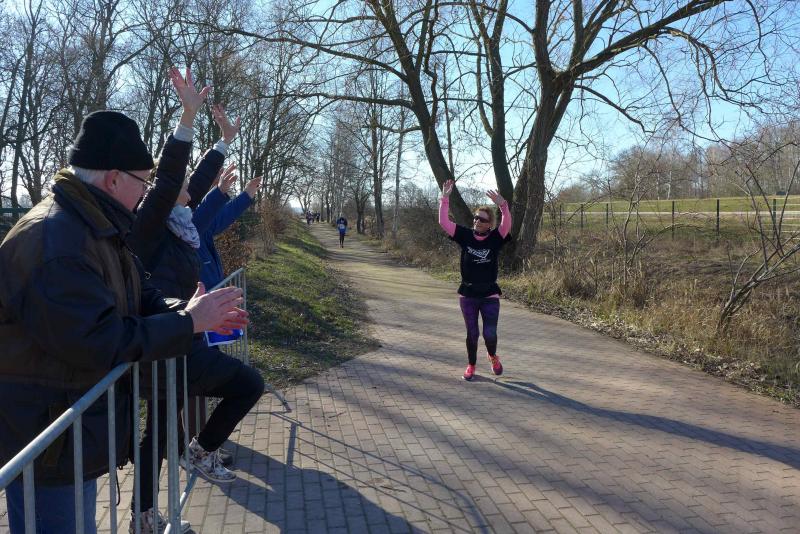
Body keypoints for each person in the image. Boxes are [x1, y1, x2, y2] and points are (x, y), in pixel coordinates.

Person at [0, 102, 247, 533]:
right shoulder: (58, 240)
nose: (147, 191)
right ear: (114, 179)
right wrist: (189, 323)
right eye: (143, 181)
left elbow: (136, 291)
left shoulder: (92, 225)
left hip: (67, 432)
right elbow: (99, 341)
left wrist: (185, 312)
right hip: (46, 439)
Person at [126, 76, 264, 533]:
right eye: (182, 184)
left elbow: (195, 184)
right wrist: (186, 119)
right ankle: (199, 453)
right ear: (164, 195)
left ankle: (145, 516)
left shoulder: (180, 222)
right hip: (168, 342)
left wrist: (223, 142)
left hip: (177, 341)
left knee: (159, 434)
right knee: (248, 384)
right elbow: (172, 179)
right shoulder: (149, 228)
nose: (191, 186)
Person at [439, 179, 511, 381]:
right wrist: (445, 198)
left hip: (489, 294)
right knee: (472, 334)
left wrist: (503, 205)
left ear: (490, 224)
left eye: (482, 219)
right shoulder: (465, 235)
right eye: (476, 218)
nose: (477, 221)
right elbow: (444, 222)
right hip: (468, 294)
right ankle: (471, 365)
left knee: (490, 334)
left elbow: (506, 224)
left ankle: (492, 356)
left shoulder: (496, 238)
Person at [193, 165, 262, 289]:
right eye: (183, 188)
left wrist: (246, 195)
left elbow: (221, 217)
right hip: (201, 297)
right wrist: (217, 191)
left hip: (212, 295)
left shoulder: (194, 225)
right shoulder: (184, 227)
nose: (188, 195)